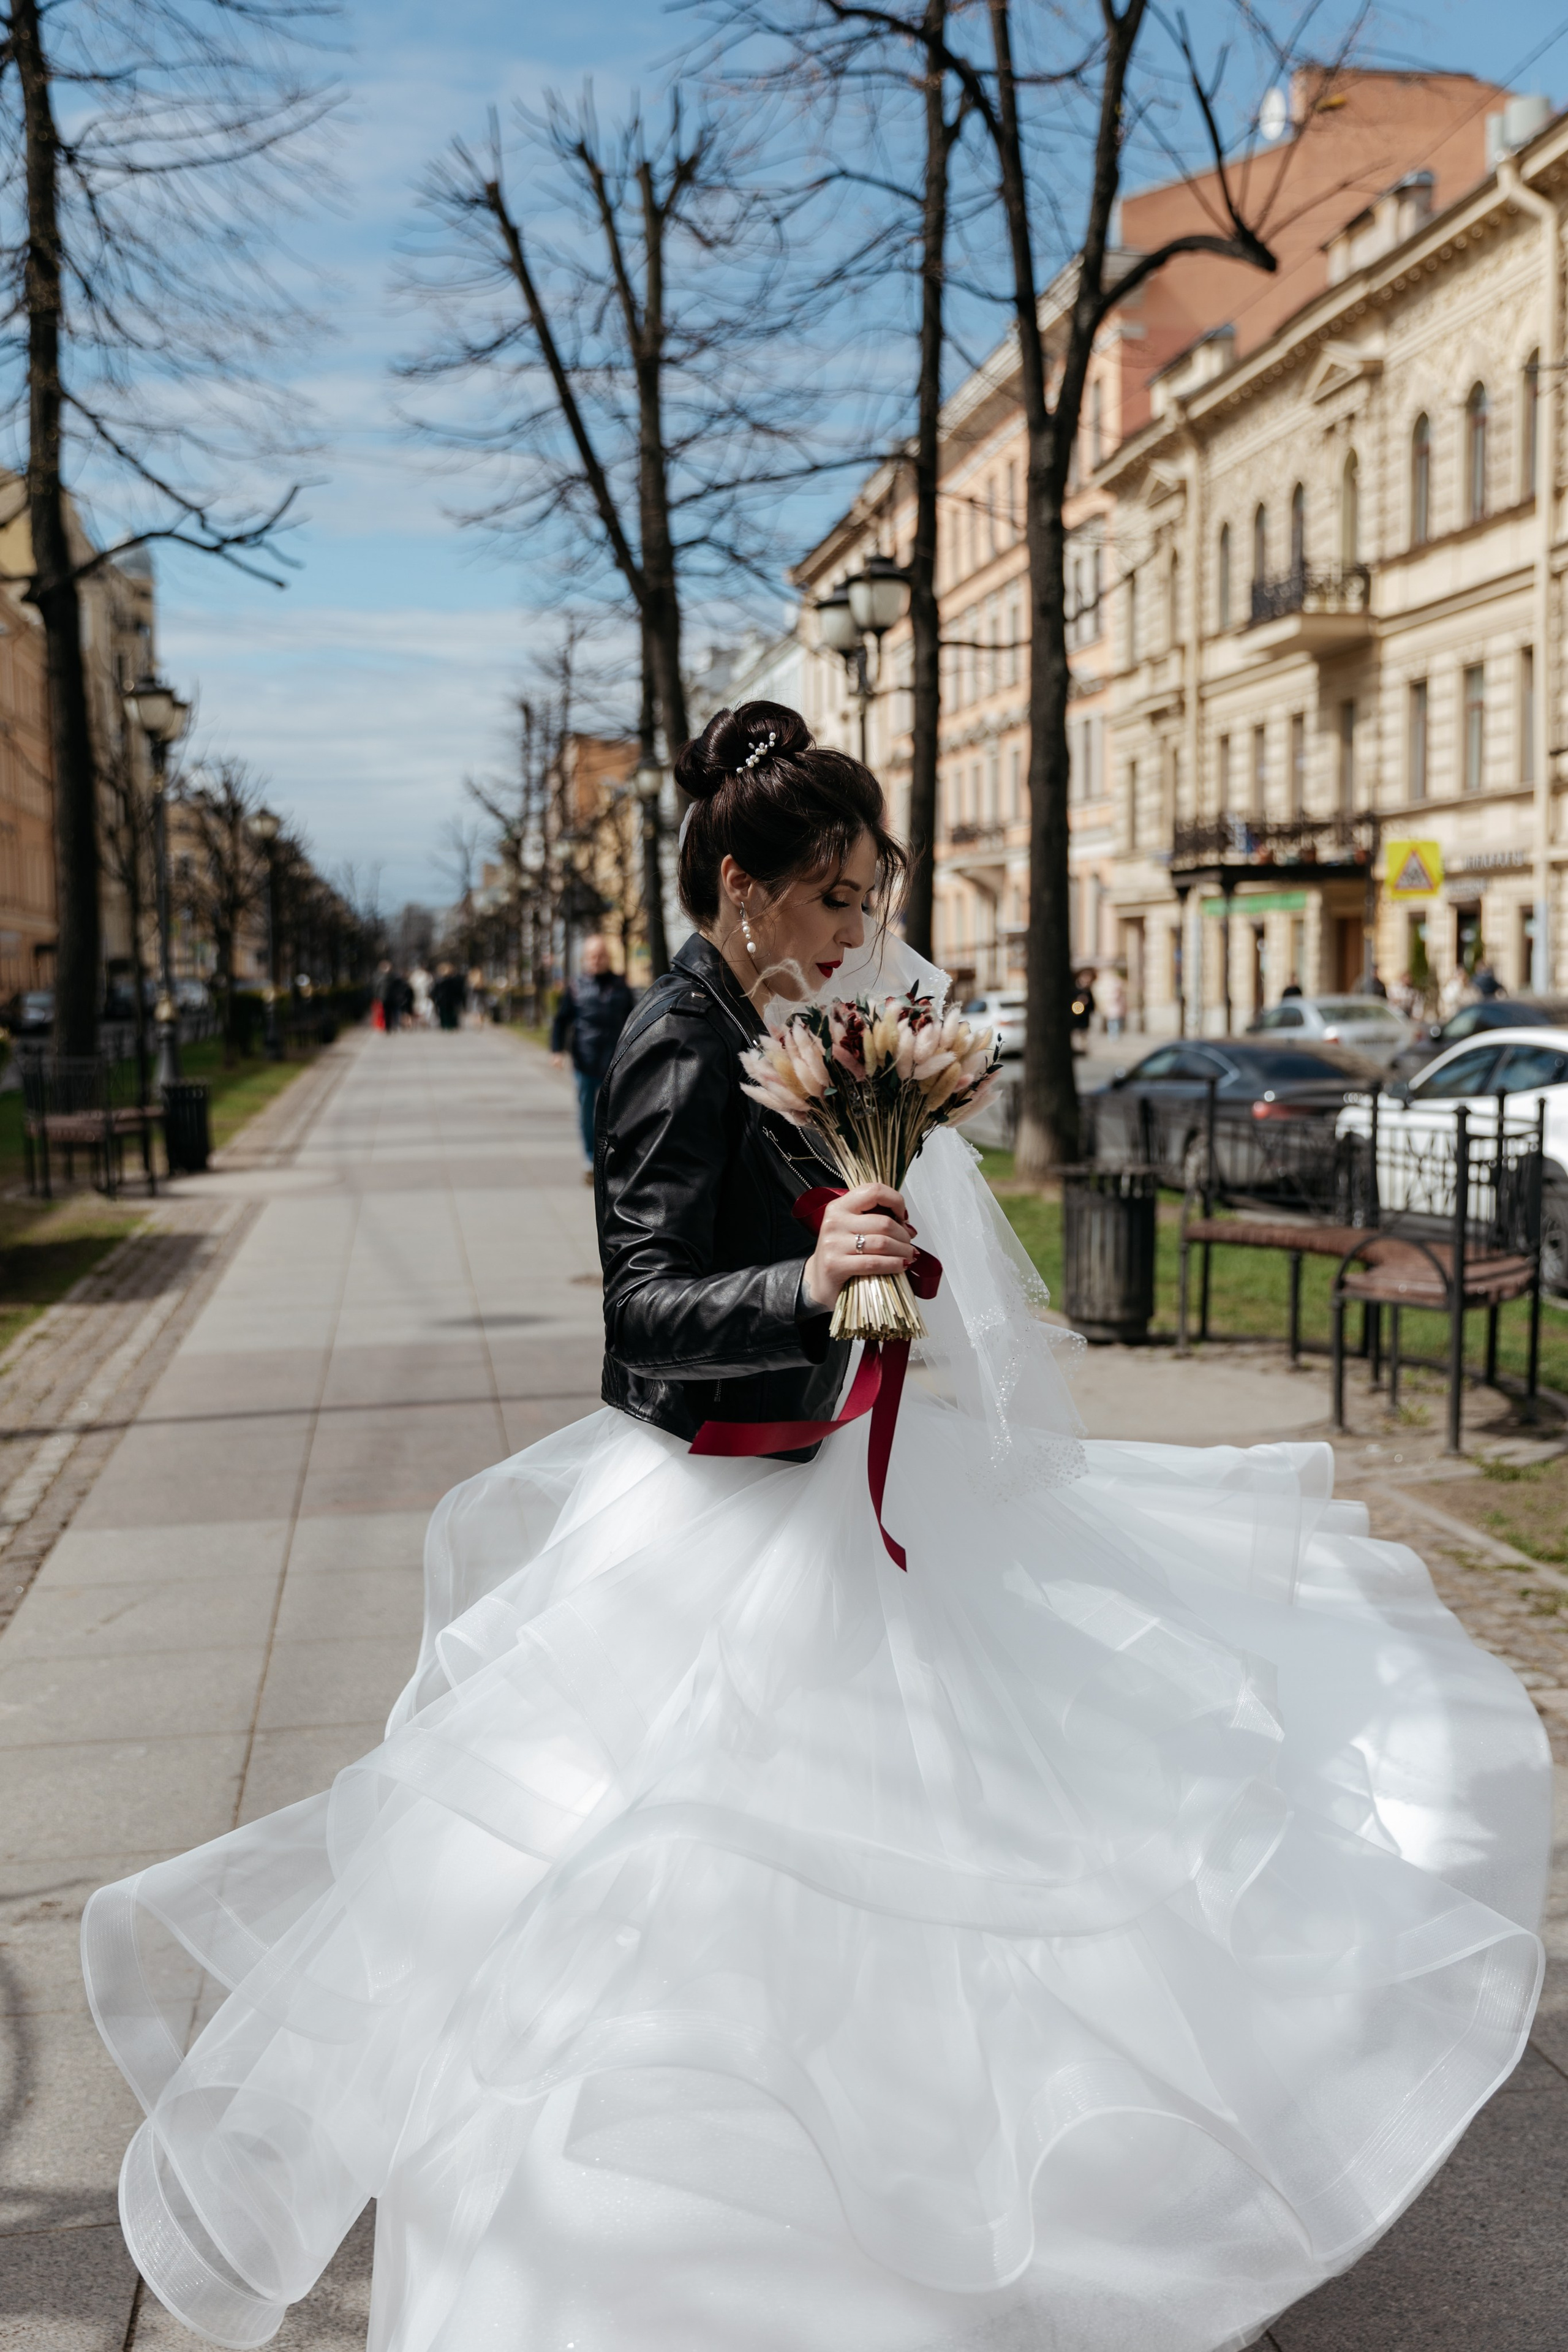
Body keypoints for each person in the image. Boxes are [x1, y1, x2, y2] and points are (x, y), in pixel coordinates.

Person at [83, 699, 1550, 2352]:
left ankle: (950, 2226)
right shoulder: (675, 1036)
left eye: (870, 894)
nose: (864, 931)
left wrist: (879, 1248)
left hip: (835, 1488)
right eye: (837, 896)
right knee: (680, 1899)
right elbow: (640, 1320)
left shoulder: (804, 1019)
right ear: (738, 886)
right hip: (716, 1520)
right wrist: (810, 1278)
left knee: (958, 1847)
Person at [551, 934, 634, 1175]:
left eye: (600, 956)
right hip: (584, 1060)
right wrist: (557, 1050)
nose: (596, 960)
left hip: (615, 1062)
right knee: (587, 1113)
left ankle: (615, 1160)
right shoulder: (576, 987)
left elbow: (634, 1021)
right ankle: (591, 1159)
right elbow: (561, 1021)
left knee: (617, 1113)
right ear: (585, 960)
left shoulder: (622, 987)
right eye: (592, 956)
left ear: (608, 957)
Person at [431, 962, 466, 1031]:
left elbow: (435, 991)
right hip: (449, 1000)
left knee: (445, 1013)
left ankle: (446, 1025)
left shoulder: (441, 980)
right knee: (449, 1012)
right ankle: (450, 1025)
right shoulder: (453, 980)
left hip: (444, 1000)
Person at [1069, 967, 1096, 1049]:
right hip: (1075, 1016)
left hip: (1085, 1016)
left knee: (1084, 1032)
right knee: (1076, 1032)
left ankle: (1083, 1047)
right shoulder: (1075, 989)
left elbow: (1092, 1004)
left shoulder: (1088, 991)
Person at [1098, 963, 1126, 1038]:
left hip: (1114, 1006)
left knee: (1114, 1021)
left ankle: (1114, 1034)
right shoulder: (1109, 983)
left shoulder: (1115, 983)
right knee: (1113, 1021)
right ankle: (1113, 1034)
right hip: (1112, 1006)